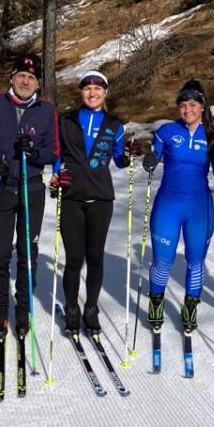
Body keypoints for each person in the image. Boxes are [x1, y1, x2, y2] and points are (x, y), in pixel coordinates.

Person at [0, 53, 59, 338]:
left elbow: (54, 152)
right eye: (21, 75)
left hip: (32, 190)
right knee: (0, 254)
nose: (25, 81)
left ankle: (23, 311)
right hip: (1, 188)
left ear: (38, 84)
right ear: (12, 78)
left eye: (31, 78)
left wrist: (35, 154)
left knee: (28, 254)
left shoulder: (46, 110)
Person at [142, 79, 214, 335]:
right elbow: (153, 158)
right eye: (182, 105)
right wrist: (149, 159)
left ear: (202, 106)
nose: (187, 109)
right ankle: (156, 302)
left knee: (195, 262)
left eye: (192, 104)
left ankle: (190, 306)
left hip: (198, 208)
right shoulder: (167, 131)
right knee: (163, 261)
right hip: (168, 204)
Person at [50, 70, 130, 334]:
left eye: (97, 88)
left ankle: (91, 307)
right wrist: (56, 175)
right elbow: (58, 155)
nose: (92, 93)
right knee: (74, 258)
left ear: (105, 92)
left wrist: (130, 156)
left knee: (95, 256)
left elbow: (119, 158)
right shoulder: (66, 120)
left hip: (100, 198)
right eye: (87, 88)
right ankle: (72, 306)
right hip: (72, 195)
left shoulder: (115, 124)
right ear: (81, 92)